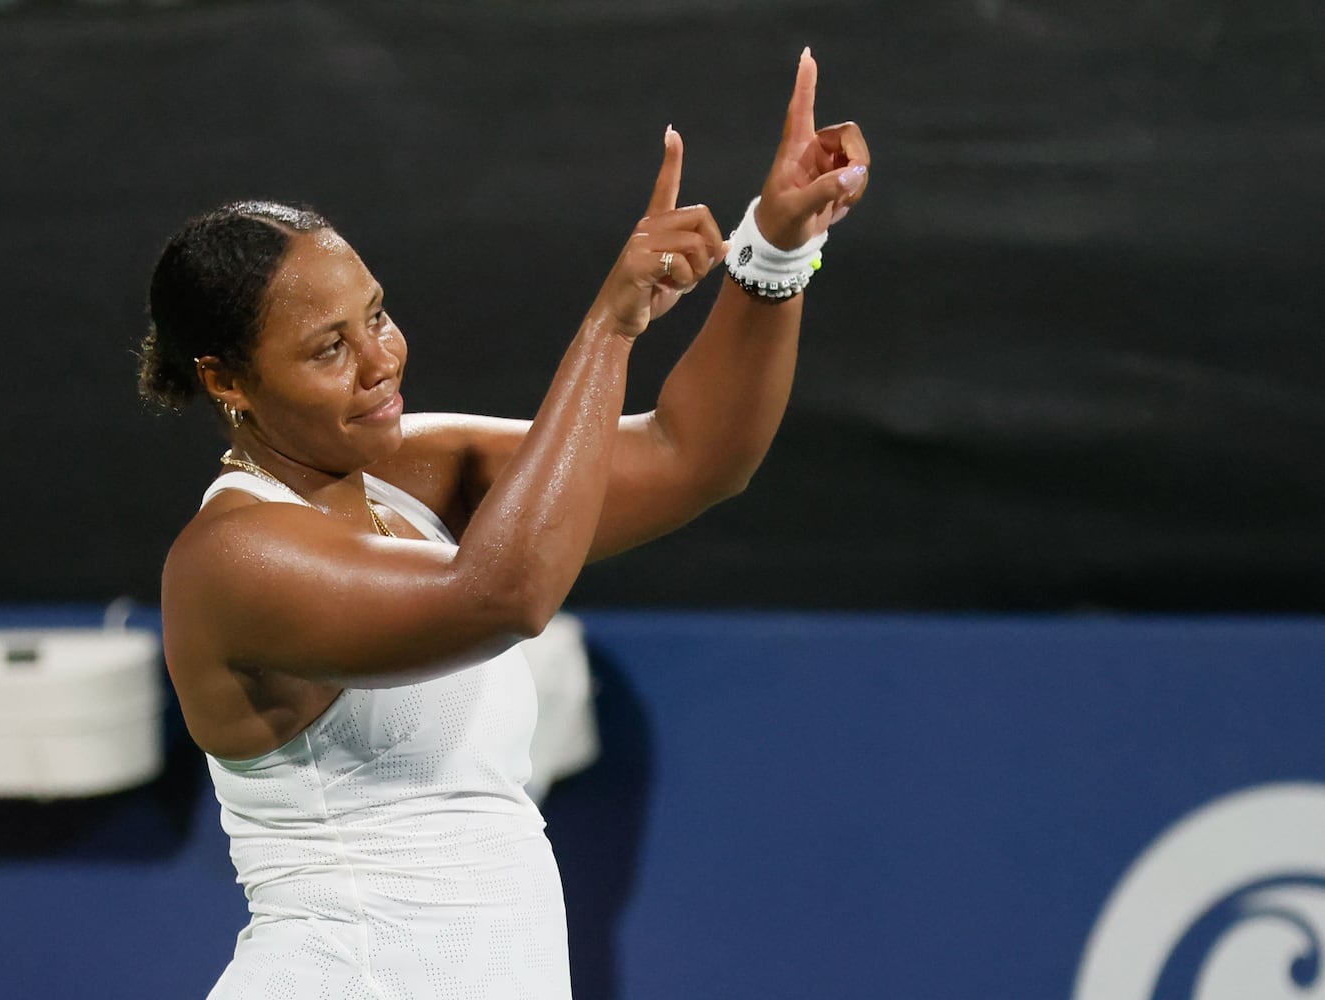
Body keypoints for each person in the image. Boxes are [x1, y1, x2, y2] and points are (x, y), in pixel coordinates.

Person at [140, 48, 868, 1000]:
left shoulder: (410, 471)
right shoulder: (234, 557)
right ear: (226, 381)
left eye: (378, 315)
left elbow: (698, 455)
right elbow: (503, 594)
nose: (380, 361)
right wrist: (612, 323)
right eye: (328, 347)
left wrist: (774, 250)